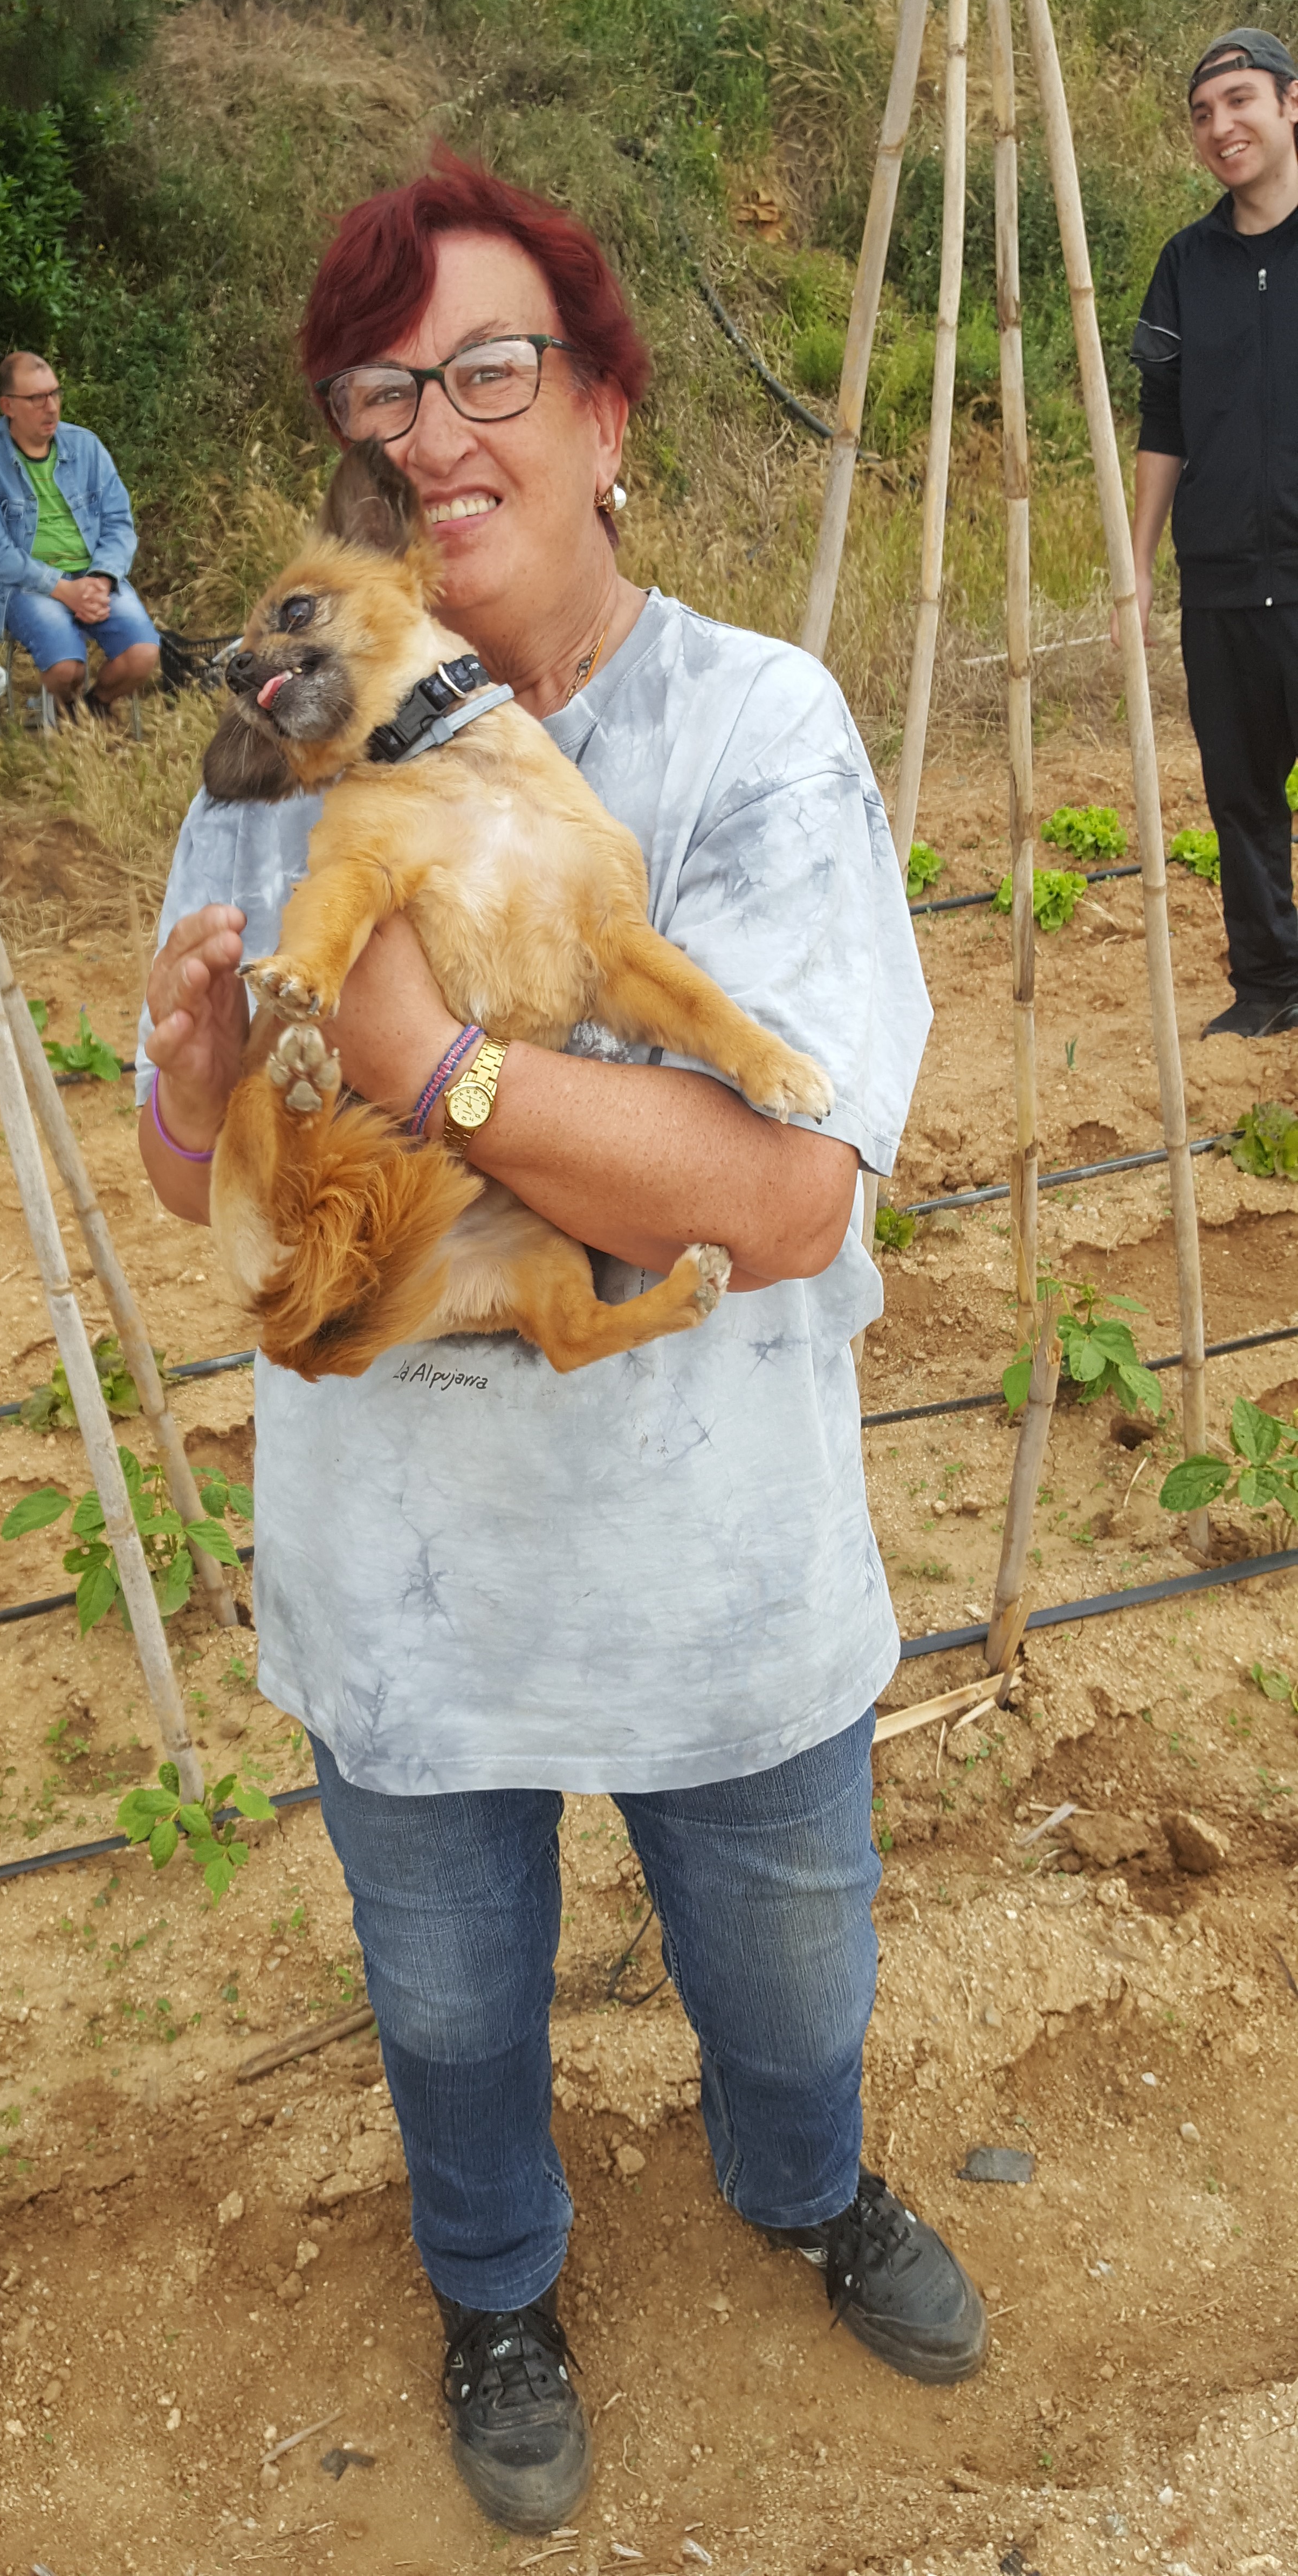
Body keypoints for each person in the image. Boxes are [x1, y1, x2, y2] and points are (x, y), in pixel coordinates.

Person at [136, 155, 984, 2539]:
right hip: (404, 1594)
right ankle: (494, 2278)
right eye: (379, 393)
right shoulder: (282, 726)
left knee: (790, 1973)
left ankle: (802, 2180)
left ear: (607, 415)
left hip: (719, 1580)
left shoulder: (749, 726)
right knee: (440, 2007)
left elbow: (783, 1191)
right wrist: (200, 1096)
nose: (431, 430)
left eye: (488, 370)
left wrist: (431, 1064)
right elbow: (193, 1176)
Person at [1127, 24, 1298, 1038]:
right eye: (1200, 114)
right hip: (1224, 579)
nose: (1219, 127)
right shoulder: (1185, 264)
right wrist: (1138, 564)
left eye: (1238, 102)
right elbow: (1163, 420)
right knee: (1240, 797)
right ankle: (1270, 985)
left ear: (1289, 103)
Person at [0, 352, 159, 720]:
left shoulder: (86, 447)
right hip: (26, 586)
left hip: (92, 576)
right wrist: (64, 590)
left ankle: (93, 709)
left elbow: (119, 523)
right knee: (66, 670)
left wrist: (101, 579)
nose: (51, 407)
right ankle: (64, 708)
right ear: (8, 406)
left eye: (54, 393)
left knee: (143, 655)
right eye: (36, 398)